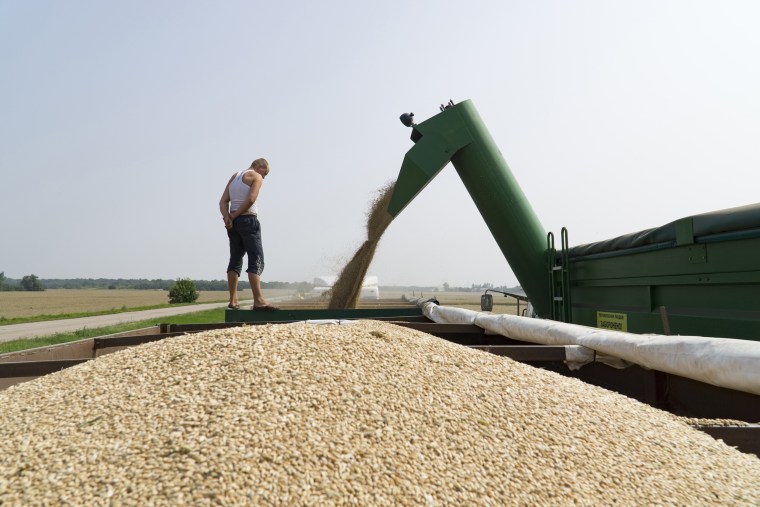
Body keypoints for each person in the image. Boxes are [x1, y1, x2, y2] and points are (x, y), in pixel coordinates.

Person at [219, 158, 279, 311]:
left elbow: (223, 201)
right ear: (260, 167)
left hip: (233, 225)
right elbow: (251, 199)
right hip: (248, 221)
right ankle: (258, 300)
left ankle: (233, 300)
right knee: (256, 258)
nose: (263, 178)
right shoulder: (256, 176)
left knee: (235, 259)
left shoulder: (235, 176)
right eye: (265, 174)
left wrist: (228, 217)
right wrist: (236, 215)